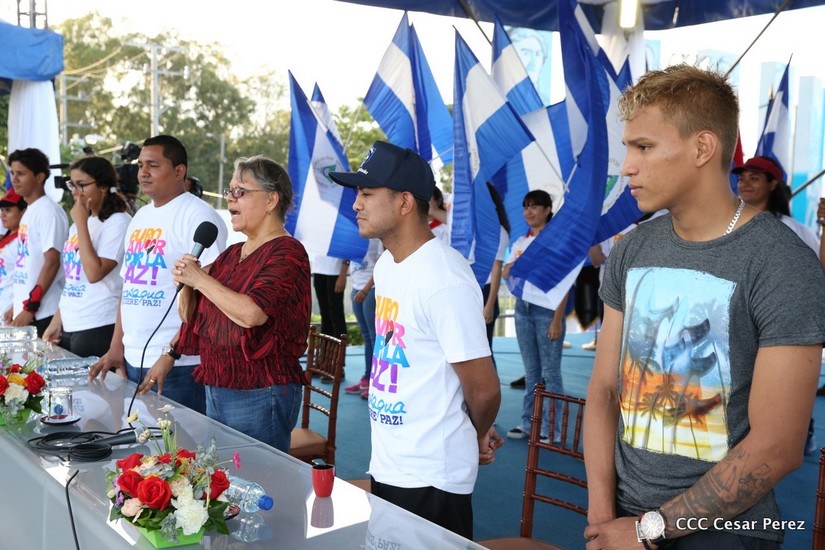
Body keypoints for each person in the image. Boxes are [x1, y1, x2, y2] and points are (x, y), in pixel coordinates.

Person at [583, 64, 825, 549]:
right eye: (628, 148)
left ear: (702, 148)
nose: (627, 166)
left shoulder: (782, 262)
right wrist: (602, 514)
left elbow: (778, 447)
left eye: (643, 147)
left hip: (728, 531)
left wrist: (647, 531)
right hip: (622, 519)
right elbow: (605, 390)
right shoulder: (633, 247)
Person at [329, 141, 502, 539]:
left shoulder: (444, 277)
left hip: (432, 476)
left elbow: (485, 389)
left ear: (405, 202)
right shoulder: (388, 264)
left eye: (367, 193)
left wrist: (474, 433)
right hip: (390, 463)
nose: (356, 204)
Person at [171, 156, 310, 452]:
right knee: (224, 474)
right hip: (218, 383)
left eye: (240, 191)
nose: (230, 199)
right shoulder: (232, 254)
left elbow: (252, 314)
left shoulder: (288, 252)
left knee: (261, 475)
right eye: (230, 191)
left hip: (260, 391)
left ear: (271, 200)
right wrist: (188, 285)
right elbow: (188, 315)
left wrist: (200, 279)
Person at [88, 135, 227, 414]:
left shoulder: (199, 216)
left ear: (179, 171)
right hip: (133, 357)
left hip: (179, 365)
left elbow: (210, 298)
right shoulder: (140, 217)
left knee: (180, 442)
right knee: (143, 439)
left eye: (153, 165)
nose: (143, 173)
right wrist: (116, 346)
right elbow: (128, 286)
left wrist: (171, 353)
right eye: (140, 165)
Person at [734, 155, 820, 457]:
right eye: (742, 177)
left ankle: (800, 430)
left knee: (783, 388)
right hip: (738, 321)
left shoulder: (796, 231)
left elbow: (813, 280)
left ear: (773, 184)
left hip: (780, 325)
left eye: (754, 178)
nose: (745, 183)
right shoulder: (726, 225)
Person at [43, 157, 132, 357]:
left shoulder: (118, 222)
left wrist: (81, 223)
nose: (75, 192)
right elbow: (72, 280)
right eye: (72, 185)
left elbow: (94, 273)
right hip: (71, 322)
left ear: (103, 187)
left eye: (81, 185)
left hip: (99, 324)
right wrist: (57, 320)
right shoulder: (80, 222)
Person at [503, 189, 568, 445]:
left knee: (550, 373)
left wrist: (557, 319)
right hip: (523, 309)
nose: (528, 212)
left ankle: (553, 430)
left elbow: (565, 282)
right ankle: (528, 423)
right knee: (532, 372)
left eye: (534, 207)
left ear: (547, 210)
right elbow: (507, 272)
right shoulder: (521, 241)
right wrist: (518, 267)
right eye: (526, 207)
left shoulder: (555, 242)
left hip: (548, 311)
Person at [7, 148, 69, 336]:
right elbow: (29, 264)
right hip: (29, 309)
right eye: (12, 173)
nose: (14, 179)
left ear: (40, 177)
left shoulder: (49, 211)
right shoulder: (30, 210)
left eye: (21, 174)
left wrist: (30, 307)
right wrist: (16, 305)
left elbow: (52, 262)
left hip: (44, 312)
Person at [344, 238, 382, 399]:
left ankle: (375, 381)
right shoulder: (352, 234)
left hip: (370, 290)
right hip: (356, 288)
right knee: (367, 337)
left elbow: (380, 265)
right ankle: (367, 378)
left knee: (374, 338)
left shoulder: (376, 237)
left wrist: (365, 290)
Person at [482, 183, 510, 369]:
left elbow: (496, 269)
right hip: (468, 291)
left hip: (485, 293)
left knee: (484, 352)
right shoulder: (470, 228)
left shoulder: (499, 231)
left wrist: (489, 305)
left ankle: (490, 388)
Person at [0, 190, 26, 323]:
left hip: (10, 315)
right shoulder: (6, 238)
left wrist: (17, 306)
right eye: (2, 210)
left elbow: (30, 276)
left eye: (8, 210)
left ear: (23, 212)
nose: (3, 215)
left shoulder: (23, 241)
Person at [312, 253, 348, 339]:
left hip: (335, 271)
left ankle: (340, 346)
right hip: (318, 270)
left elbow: (348, 249)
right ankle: (325, 346)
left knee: (336, 313)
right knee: (324, 314)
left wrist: (343, 274)